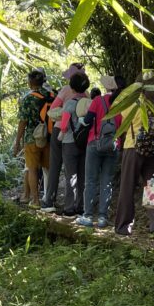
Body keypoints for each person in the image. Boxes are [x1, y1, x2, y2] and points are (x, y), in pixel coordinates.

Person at [115, 75, 154, 236]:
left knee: (127, 186)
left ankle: (124, 226)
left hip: (133, 147)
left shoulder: (133, 103)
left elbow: (121, 116)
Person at [77, 75, 121, 229]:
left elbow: (87, 121)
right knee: (107, 181)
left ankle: (88, 216)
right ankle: (103, 217)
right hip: (113, 145)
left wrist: (80, 120)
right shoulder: (122, 103)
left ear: (106, 87)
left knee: (90, 181)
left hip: (95, 143)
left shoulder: (97, 101)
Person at [42, 63, 85, 214]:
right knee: (77, 171)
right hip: (79, 135)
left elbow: (53, 108)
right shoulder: (86, 94)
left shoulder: (66, 89)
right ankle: (77, 205)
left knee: (55, 165)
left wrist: (65, 114)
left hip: (60, 130)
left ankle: (49, 200)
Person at [13, 67, 53, 208]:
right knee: (49, 168)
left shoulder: (28, 98)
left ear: (30, 83)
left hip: (32, 137)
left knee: (32, 169)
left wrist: (17, 141)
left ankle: (35, 200)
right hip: (49, 137)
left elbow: (23, 122)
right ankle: (50, 199)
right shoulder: (51, 95)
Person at [57, 71, 91, 217]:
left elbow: (64, 126)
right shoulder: (90, 103)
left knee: (71, 176)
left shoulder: (69, 104)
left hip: (70, 143)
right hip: (86, 143)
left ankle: (69, 208)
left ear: (72, 88)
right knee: (83, 176)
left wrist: (60, 136)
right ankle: (80, 207)